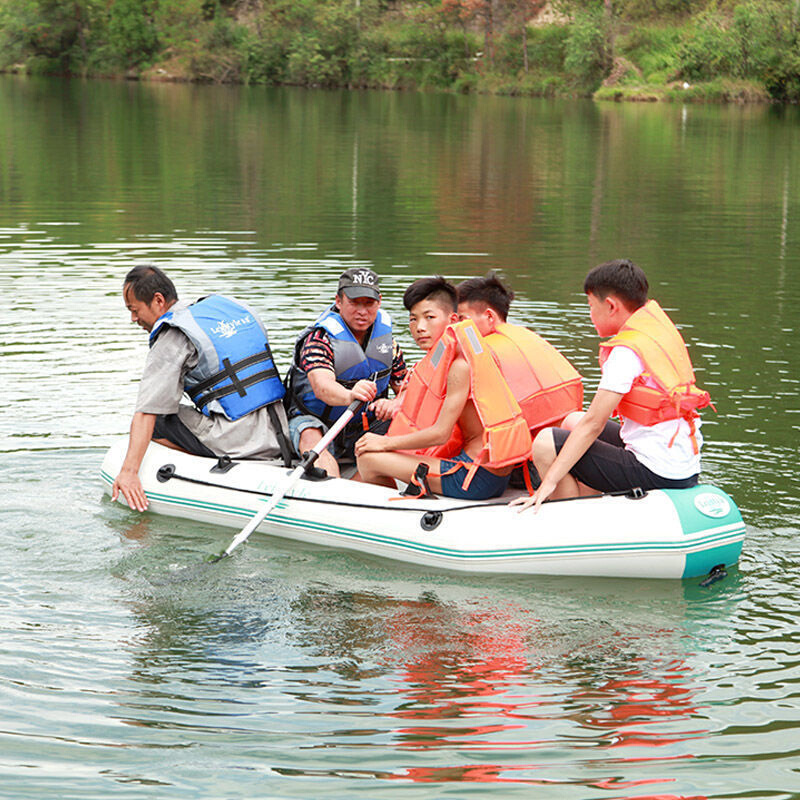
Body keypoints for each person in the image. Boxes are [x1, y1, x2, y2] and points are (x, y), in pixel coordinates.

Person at [513, 258, 712, 513]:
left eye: (590, 306)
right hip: (682, 464)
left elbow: (594, 424)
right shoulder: (656, 330)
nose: (590, 315)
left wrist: (547, 483)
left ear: (610, 306)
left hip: (657, 470)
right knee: (572, 419)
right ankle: (588, 498)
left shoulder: (626, 351)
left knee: (544, 443)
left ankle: (571, 513)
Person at [111, 265, 290, 513]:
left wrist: (129, 472)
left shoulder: (172, 335)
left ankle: (209, 467)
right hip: (280, 431)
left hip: (238, 442)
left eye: (134, 310)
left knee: (157, 420)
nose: (133, 319)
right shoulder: (226, 309)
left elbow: (147, 412)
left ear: (158, 301)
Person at [356, 317, 530, 499]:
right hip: (493, 473)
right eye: (413, 319)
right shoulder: (478, 356)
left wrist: (384, 443)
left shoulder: (460, 366)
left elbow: (441, 435)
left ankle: (397, 514)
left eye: (430, 317)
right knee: (377, 449)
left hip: (474, 478)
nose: (420, 328)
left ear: (452, 320)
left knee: (367, 457)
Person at [284, 267, 407, 478]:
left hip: (364, 425)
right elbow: (322, 386)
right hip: (317, 421)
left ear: (379, 302)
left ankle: (368, 484)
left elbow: (407, 387)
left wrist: (396, 403)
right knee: (311, 436)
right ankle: (333, 490)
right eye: (354, 302)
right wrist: (350, 395)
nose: (362, 311)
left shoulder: (389, 345)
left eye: (368, 304)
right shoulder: (319, 340)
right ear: (339, 301)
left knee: (405, 423)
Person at [455, 272, 583, 439]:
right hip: (567, 437)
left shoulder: (484, 353)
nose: (455, 327)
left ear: (489, 316)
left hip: (535, 450)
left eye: (461, 319)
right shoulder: (527, 337)